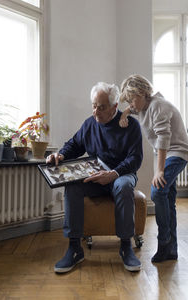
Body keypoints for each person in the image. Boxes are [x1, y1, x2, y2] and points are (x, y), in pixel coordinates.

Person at [46, 82, 143, 273]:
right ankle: (74, 248)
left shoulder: (131, 125)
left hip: (121, 175)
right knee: (72, 185)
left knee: (123, 186)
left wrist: (113, 174)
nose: (96, 112)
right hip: (96, 177)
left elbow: (135, 158)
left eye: (101, 107)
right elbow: (74, 144)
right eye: (93, 105)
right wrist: (61, 155)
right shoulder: (90, 124)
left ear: (115, 107)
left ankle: (125, 246)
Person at [119, 74, 188, 263]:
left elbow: (163, 139)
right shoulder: (143, 106)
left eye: (131, 99)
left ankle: (164, 241)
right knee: (168, 199)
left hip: (177, 152)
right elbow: (131, 109)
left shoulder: (159, 106)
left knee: (157, 192)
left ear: (141, 93)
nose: (131, 105)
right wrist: (125, 114)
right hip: (168, 154)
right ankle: (171, 250)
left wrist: (159, 171)